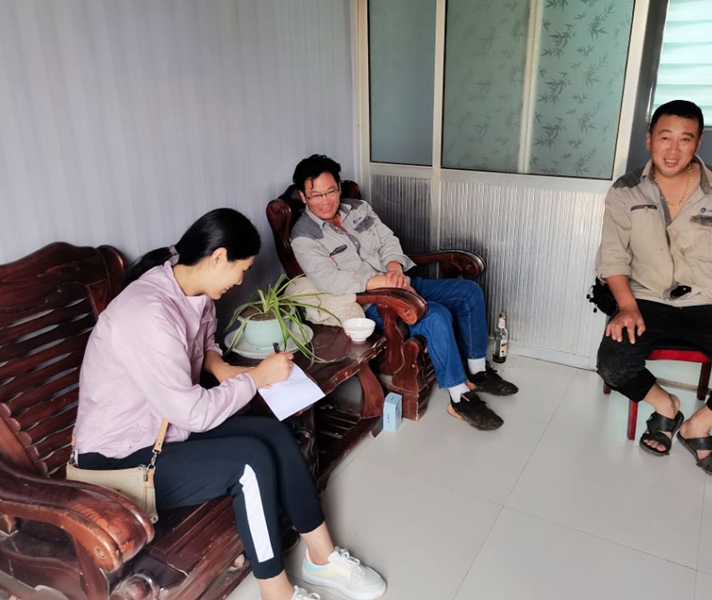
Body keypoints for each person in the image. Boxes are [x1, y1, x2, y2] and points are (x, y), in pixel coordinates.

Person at [72, 208, 386, 600]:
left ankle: (322, 559)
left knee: (274, 433)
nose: (241, 279)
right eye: (242, 269)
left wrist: (221, 368)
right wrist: (255, 378)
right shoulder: (147, 313)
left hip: (165, 430)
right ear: (218, 257)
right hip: (119, 459)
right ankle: (276, 592)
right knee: (248, 463)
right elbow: (195, 413)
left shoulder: (192, 289)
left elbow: (204, 341)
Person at [595, 100, 712, 478]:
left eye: (685, 139)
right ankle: (666, 406)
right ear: (649, 139)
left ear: (698, 142)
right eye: (665, 137)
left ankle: (697, 427)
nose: (673, 149)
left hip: (711, 301)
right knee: (612, 364)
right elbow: (613, 255)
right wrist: (626, 306)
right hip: (646, 300)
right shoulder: (626, 191)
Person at [289, 154, 518, 432]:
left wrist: (395, 267)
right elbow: (330, 280)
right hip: (373, 302)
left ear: (339, 187)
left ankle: (478, 371)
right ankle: (460, 397)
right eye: (316, 195)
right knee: (435, 315)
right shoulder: (303, 236)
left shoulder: (358, 208)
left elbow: (388, 240)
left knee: (469, 292)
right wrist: (382, 281)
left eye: (331, 191)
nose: (326, 201)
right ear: (304, 196)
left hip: (398, 281)